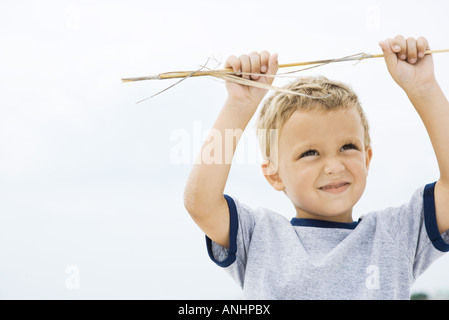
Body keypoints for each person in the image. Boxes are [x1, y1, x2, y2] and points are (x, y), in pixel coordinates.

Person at [183, 35, 449, 299]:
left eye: (348, 147)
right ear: (274, 174)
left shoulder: (395, 235)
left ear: (367, 159)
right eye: (310, 153)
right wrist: (238, 106)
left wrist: (424, 89)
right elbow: (201, 203)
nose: (334, 166)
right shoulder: (259, 236)